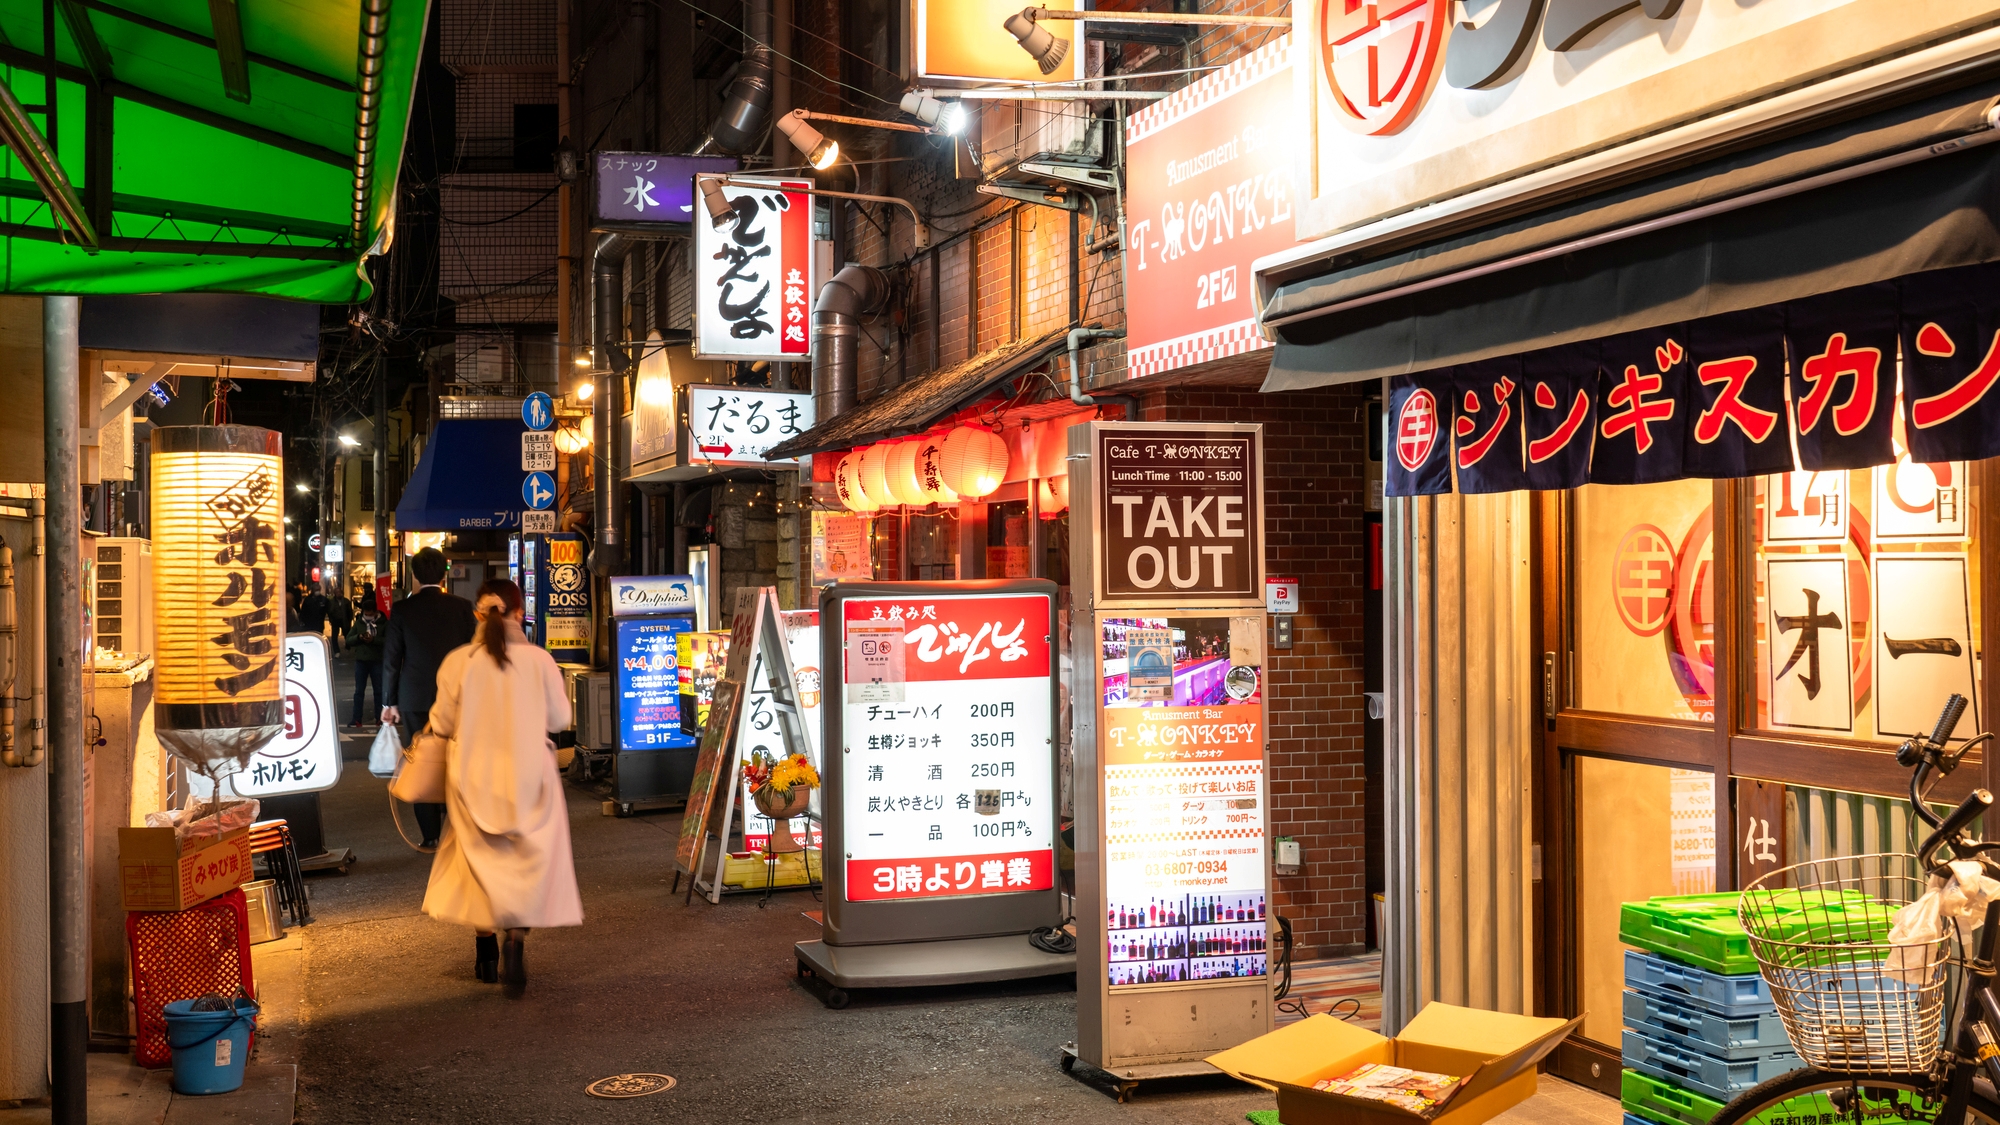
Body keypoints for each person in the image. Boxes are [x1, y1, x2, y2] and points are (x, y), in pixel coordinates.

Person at [422, 578, 579, 996]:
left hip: (472, 776)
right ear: (520, 613)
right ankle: (517, 933)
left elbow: (442, 723)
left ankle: (486, 951)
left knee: (479, 863)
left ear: (478, 613)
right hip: (531, 776)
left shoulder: (458, 661)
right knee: (528, 859)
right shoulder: (540, 660)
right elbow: (561, 720)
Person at [382, 548, 478, 847]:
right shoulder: (462, 607)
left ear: (414, 575)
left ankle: (430, 835)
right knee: (457, 757)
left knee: (421, 760)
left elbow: (392, 658)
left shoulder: (402, 610)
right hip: (458, 696)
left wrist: (389, 702)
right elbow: (475, 653)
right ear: (444, 573)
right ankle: (456, 826)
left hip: (415, 696)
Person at [344, 600, 386, 727]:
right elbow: (349, 639)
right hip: (361, 661)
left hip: (377, 660)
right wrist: (359, 637)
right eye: (366, 614)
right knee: (359, 692)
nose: (367, 617)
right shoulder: (359, 622)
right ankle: (356, 718)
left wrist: (374, 640)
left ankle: (380, 718)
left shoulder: (384, 623)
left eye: (370, 614)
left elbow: (389, 640)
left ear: (375, 612)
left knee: (378, 691)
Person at [328, 589, 354, 657]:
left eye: (339, 592)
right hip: (335, 620)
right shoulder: (332, 602)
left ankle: (347, 647)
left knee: (347, 635)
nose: (338, 594)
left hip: (344, 620)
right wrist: (331, 619)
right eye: (337, 592)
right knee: (334, 637)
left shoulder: (346, 601)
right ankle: (336, 651)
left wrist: (350, 619)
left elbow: (350, 611)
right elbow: (330, 612)